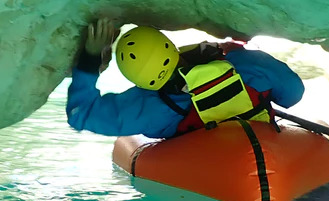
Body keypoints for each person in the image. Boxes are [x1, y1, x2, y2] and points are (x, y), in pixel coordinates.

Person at [66, 19, 305, 138]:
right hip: (267, 142)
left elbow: (79, 114)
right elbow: (294, 94)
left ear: (136, 79)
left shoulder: (145, 108)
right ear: (170, 47)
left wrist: (90, 57)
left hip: (210, 164)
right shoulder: (248, 64)